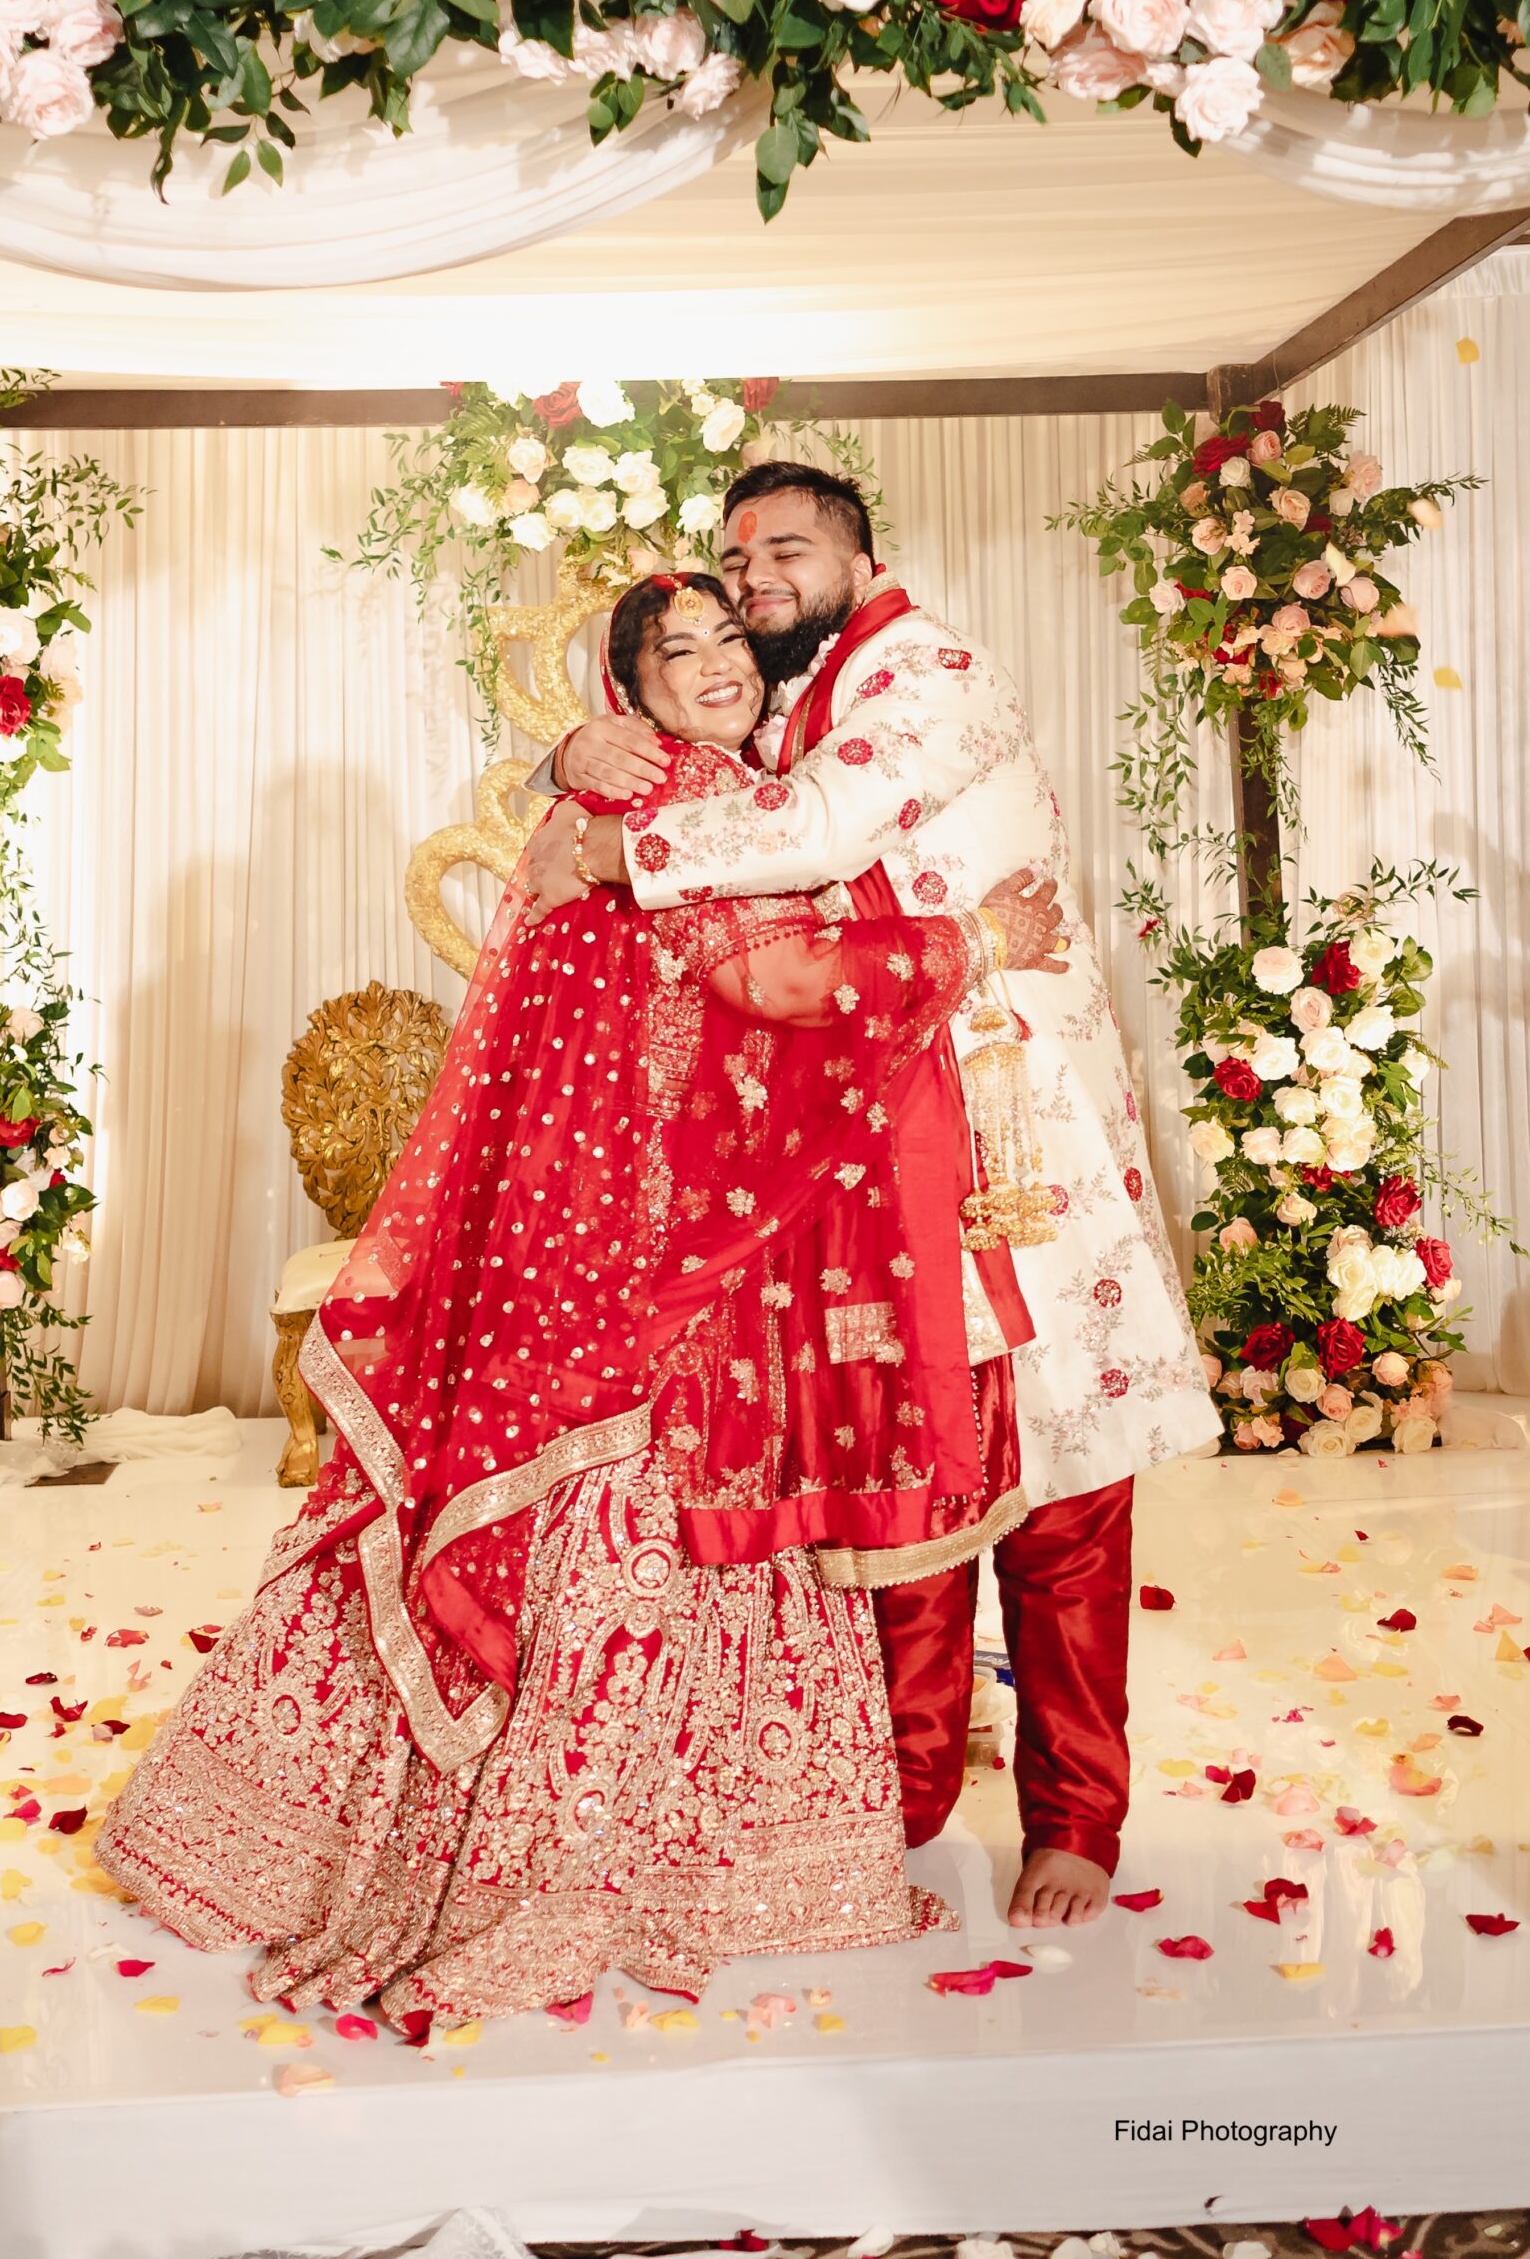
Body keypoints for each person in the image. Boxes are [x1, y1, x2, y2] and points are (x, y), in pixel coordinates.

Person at [96, 574, 1064, 2025]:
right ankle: (629, 1863)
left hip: (638, 1240)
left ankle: (307, 1831)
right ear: (628, 694)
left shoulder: (712, 793)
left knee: (612, 1519)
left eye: (731, 637)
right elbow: (790, 982)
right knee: (654, 1527)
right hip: (648, 1262)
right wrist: (982, 942)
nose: (720, 664)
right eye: (676, 653)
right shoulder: (667, 799)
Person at [520, 467, 1222, 1931]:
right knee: (903, 1478)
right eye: (734, 556)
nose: (755, 577)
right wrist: (571, 767)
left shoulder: (933, 673)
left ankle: (1077, 1819)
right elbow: (706, 758)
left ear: (860, 552)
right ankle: (889, 1806)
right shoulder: (777, 698)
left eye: (786, 548)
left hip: (1022, 1138)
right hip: (875, 1148)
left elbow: (825, 827)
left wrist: (619, 847)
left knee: (1063, 1480)